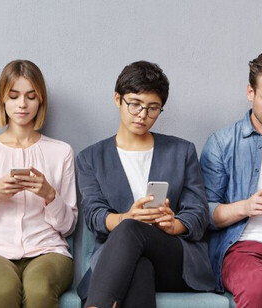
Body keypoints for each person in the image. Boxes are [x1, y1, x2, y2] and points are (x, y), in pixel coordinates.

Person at [76, 61, 215, 308]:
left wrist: (175, 225)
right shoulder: (91, 158)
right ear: (118, 99)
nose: (143, 115)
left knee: (130, 230)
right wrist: (125, 217)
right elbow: (94, 215)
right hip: (122, 259)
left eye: (153, 108)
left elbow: (199, 212)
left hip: (174, 259)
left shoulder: (181, 151)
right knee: (138, 263)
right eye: (135, 105)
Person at [0, 59, 78, 308]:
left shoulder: (61, 152)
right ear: (2, 99)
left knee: (40, 290)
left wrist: (50, 196)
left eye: (31, 96)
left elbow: (67, 227)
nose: (22, 104)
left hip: (48, 250)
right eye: (13, 96)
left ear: (41, 100)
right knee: (3, 290)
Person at [200, 49, 262, 308]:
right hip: (247, 250)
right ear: (250, 92)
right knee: (256, 289)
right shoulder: (222, 144)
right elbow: (203, 214)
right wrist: (245, 207)